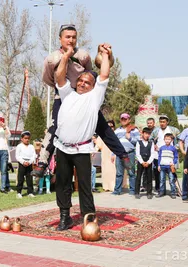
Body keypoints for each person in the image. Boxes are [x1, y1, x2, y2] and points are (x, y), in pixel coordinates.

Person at [32, 24, 128, 178]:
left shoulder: (83, 55)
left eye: (73, 37)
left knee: (102, 126)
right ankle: (43, 163)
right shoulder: (52, 58)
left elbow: (91, 73)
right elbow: (48, 78)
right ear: (60, 39)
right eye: (67, 37)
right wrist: (62, 88)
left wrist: (103, 54)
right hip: (63, 95)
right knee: (55, 127)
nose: (71, 40)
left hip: (83, 97)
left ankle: (123, 155)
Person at [53, 42, 111, 231]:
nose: (83, 83)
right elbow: (59, 76)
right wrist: (65, 56)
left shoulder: (94, 98)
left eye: (87, 82)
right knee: (62, 183)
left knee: (85, 185)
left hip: (82, 148)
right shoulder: (67, 94)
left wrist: (105, 54)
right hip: (62, 147)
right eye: (80, 80)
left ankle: (89, 218)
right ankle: (65, 217)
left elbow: (104, 75)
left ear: (93, 86)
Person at [150, 115, 180, 192]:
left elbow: (181, 139)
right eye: (160, 122)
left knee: (172, 173)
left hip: (170, 155)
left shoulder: (173, 130)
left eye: (163, 122)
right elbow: (150, 139)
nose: (162, 123)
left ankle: (176, 190)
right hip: (158, 155)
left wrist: (176, 147)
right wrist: (154, 146)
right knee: (158, 173)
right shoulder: (156, 130)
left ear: (167, 122)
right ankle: (159, 189)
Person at [112, 113, 140, 195]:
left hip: (128, 154)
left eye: (125, 119)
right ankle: (117, 191)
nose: (123, 120)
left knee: (131, 173)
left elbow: (138, 142)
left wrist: (130, 137)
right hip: (119, 155)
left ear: (129, 120)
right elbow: (114, 144)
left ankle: (132, 190)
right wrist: (113, 154)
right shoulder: (117, 131)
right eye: (122, 119)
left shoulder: (134, 130)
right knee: (119, 173)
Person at [156, 133, 178, 199]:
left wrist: (173, 163)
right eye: (166, 139)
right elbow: (159, 157)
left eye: (169, 139)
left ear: (171, 140)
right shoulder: (162, 148)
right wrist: (159, 165)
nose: (167, 141)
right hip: (162, 166)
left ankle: (173, 193)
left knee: (171, 180)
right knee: (162, 180)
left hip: (170, 166)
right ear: (164, 139)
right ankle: (162, 192)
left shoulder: (173, 148)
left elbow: (176, 157)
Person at [135, 127, 155, 199]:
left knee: (149, 177)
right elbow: (137, 153)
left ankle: (149, 193)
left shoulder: (151, 143)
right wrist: (142, 162)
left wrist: (149, 162)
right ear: (142, 133)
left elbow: (153, 153)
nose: (147, 135)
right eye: (146, 133)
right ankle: (137, 192)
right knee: (138, 177)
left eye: (148, 134)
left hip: (149, 162)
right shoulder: (139, 142)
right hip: (141, 162)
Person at [15, 131, 36, 198]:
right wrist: (23, 162)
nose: (27, 140)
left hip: (29, 164)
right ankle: (19, 192)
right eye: (25, 138)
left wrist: (29, 162)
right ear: (22, 139)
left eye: (28, 138)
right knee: (20, 178)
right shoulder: (19, 146)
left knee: (29, 178)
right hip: (22, 163)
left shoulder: (31, 146)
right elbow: (17, 156)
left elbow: (33, 155)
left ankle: (30, 192)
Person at [146, 117, 159, 192]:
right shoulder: (146, 130)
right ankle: (146, 186)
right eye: (148, 123)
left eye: (151, 123)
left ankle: (157, 186)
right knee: (147, 170)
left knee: (156, 170)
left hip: (156, 152)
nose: (149, 124)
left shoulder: (157, 131)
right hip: (147, 152)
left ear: (154, 123)